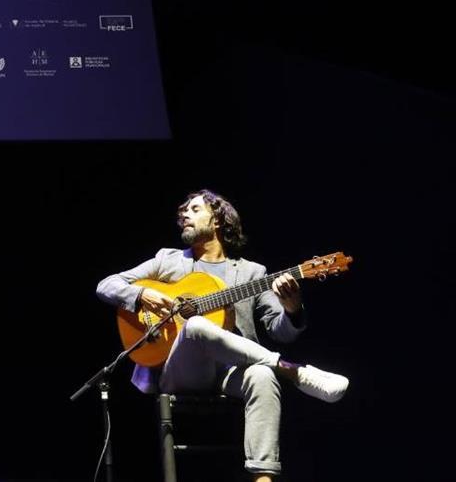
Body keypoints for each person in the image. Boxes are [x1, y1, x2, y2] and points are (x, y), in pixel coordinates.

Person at [95, 189, 349, 481]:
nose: (184, 216)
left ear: (217, 219)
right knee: (195, 325)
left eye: (194, 209)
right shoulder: (168, 260)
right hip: (183, 370)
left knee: (262, 376)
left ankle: (263, 478)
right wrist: (141, 295)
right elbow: (106, 285)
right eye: (182, 213)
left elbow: (280, 331)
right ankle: (291, 371)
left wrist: (292, 309)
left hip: (232, 372)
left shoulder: (253, 273)